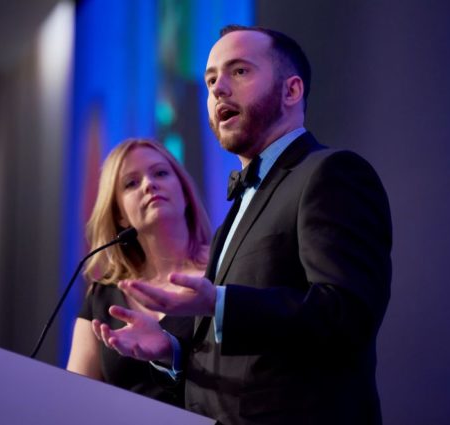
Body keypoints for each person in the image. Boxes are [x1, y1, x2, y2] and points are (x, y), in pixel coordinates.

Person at [91, 25, 392, 425]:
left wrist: (218, 303)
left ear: (292, 91)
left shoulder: (331, 173)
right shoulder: (235, 212)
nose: (218, 90)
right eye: (211, 79)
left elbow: (346, 316)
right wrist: (172, 352)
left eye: (239, 72)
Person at [66, 138, 211, 407]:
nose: (149, 184)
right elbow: (75, 402)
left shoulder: (225, 267)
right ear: (120, 215)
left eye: (160, 173)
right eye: (131, 183)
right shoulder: (102, 297)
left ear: (184, 191)